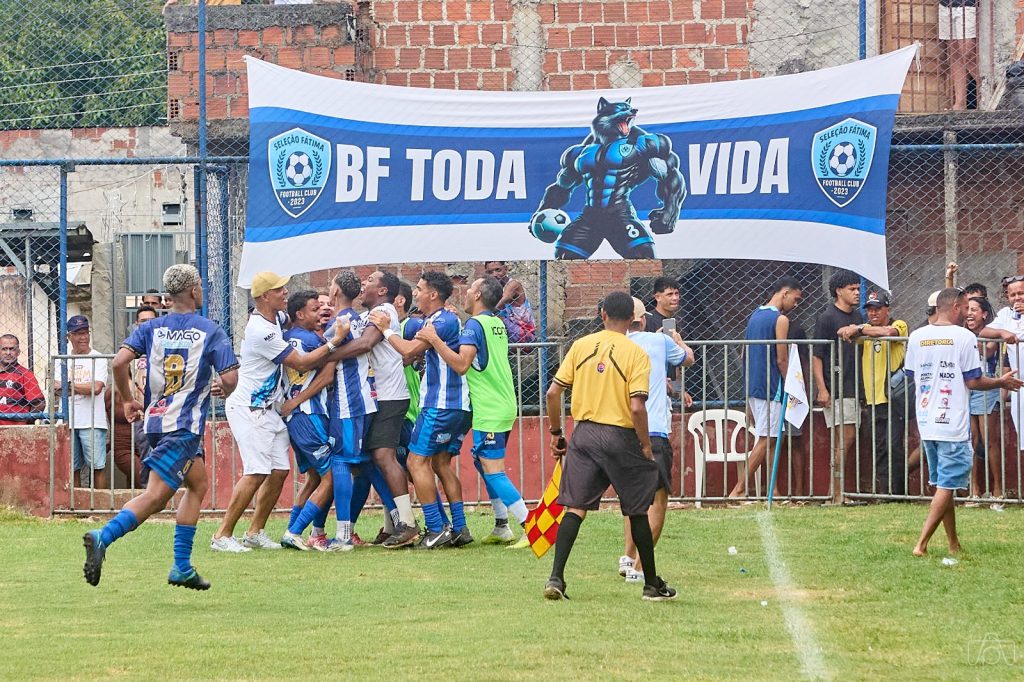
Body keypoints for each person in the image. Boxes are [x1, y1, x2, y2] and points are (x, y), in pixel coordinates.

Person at [81, 264, 239, 590]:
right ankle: (102, 536)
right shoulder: (210, 330)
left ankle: (181, 567)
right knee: (154, 497)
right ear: (195, 291)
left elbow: (118, 363)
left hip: (155, 422)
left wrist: (126, 400)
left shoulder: (152, 327)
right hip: (183, 427)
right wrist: (226, 386)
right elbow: (231, 378)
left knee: (198, 485)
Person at [543, 291, 676, 602]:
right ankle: (651, 584)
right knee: (637, 509)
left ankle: (556, 577)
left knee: (575, 508)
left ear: (602, 315)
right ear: (633, 320)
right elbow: (637, 408)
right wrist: (644, 445)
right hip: (620, 437)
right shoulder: (635, 353)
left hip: (584, 434)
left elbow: (552, 393)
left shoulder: (580, 345)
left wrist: (556, 432)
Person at [212, 271, 348, 553]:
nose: (285, 293)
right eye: (279, 290)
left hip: (269, 409)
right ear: (264, 296)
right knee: (256, 471)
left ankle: (255, 532)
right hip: (249, 407)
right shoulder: (260, 330)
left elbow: (296, 319)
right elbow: (299, 362)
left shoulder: (278, 318)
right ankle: (222, 535)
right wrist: (335, 342)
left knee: (279, 471)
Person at [904, 288, 1022, 557]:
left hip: (926, 420)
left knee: (944, 484)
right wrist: (1001, 382)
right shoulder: (964, 337)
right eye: (966, 307)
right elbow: (973, 380)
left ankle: (953, 542)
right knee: (947, 484)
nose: (969, 312)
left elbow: (911, 372)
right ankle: (921, 544)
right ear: (956, 306)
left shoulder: (917, 336)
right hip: (953, 421)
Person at [416, 275, 530, 547]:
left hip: (489, 407)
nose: (465, 293)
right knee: (482, 461)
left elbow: (461, 365)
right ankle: (502, 525)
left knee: (493, 469)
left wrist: (434, 339)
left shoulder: (474, 326)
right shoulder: (496, 322)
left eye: (470, 289)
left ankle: (532, 525)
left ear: (478, 296)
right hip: (504, 403)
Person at [371, 271, 472, 549]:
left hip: (440, 404)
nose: (416, 292)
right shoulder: (435, 320)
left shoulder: (441, 320)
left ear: (433, 294)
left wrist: (385, 328)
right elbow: (410, 356)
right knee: (439, 464)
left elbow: (407, 348)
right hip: (455, 404)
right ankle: (460, 527)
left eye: (420, 288)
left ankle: (436, 528)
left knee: (416, 463)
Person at [331, 270, 419, 548]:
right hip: (378, 397)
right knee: (370, 461)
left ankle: (407, 523)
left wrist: (326, 355)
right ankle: (393, 523)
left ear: (382, 291)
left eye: (370, 281)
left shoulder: (383, 310)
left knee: (383, 457)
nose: (364, 284)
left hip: (389, 397)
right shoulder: (379, 311)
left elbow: (366, 343)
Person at [620, 296, 693, 582]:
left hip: (622, 429)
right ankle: (639, 569)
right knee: (658, 499)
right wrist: (677, 339)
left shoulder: (616, 343)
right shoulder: (658, 342)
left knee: (632, 499)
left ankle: (627, 557)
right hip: (653, 430)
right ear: (642, 318)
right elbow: (687, 358)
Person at [278, 290, 339, 551]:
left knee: (315, 478)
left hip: (299, 415)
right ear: (300, 314)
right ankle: (294, 531)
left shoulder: (291, 337)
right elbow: (326, 377)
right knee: (333, 477)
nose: (320, 313)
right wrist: (337, 343)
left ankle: (292, 530)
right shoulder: (307, 340)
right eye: (315, 309)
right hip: (308, 415)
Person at [734, 278, 803, 498]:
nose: (796, 304)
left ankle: (773, 490)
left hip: (754, 385)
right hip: (771, 386)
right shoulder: (780, 319)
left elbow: (744, 353)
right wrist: (789, 385)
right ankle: (738, 490)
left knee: (771, 437)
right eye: (796, 298)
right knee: (767, 439)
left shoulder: (754, 315)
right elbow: (781, 358)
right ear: (785, 293)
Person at [812, 270, 864, 495]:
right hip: (836, 386)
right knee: (844, 437)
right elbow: (817, 355)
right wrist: (822, 389)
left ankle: (839, 490)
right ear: (838, 291)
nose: (857, 293)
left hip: (854, 385)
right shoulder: (827, 318)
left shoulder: (858, 317)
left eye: (858, 289)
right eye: (852, 289)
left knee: (848, 438)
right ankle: (836, 491)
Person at [858, 290, 910, 495]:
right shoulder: (867, 331)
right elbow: (844, 332)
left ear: (887, 309)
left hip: (893, 398)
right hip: (872, 400)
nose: (873, 313)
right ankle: (885, 492)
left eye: (878, 309)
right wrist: (859, 329)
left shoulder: (899, 324)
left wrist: (860, 328)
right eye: (870, 309)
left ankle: (899, 493)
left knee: (894, 447)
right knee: (879, 448)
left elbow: (890, 333)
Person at [54, 315, 109, 489]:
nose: (83, 337)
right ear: (69, 336)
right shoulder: (62, 359)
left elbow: (97, 388)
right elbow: (55, 388)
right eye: (78, 333)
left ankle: (99, 508)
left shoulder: (98, 357)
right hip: (68, 421)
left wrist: (68, 385)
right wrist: (83, 387)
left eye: (86, 332)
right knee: (73, 467)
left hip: (92, 421)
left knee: (97, 467)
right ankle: (77, 507)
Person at [108, 306, 159, 487]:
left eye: (151, 321)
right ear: (137, 323)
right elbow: (123, 374)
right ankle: (149, 494)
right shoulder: (132, 348)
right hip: (141, 413)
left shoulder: (162, 346)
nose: (147, 324)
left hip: (163, 411)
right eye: (143, 321)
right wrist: (129, 398)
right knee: (145, 456)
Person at [964, 296, 1003, 500]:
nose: (969, 313)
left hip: (986, 387)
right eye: (967, 309)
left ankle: (997, 490)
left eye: (974, 310)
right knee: (971, 439)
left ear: (984, 314)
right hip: (965, 388)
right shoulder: (961, 333)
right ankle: (974, 490)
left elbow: (986, 353)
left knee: (989, 440)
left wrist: (970, 338)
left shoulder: (990, 335)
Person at [988, 275, 1024, 452]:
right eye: (1013, 294)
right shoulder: (1005, 314)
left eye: (1022, 293)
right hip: (1021, 386)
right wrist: (1002, 332)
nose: (1018, 297)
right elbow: (985, 330)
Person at [484, 261, 537, 344]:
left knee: (492, 316)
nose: (494, 274)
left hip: (525, 335)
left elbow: (499, 305)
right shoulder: (494, 287)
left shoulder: (513, 284)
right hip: (508, 333)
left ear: (506, 269)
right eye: (490, 272)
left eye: (498, 270)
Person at [938, 0, 978, 111]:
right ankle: (960, 103)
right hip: (945, 5)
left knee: (968, 53)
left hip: (968, 5)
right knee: (954, 54)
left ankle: (988, 96)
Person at [0, 334, 45, 423]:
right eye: (4, 349)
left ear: (18, 352)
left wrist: (25, 423)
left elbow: (39, 404)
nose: (8, 353)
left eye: (12, 349)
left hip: (14, 431)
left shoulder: (25, 375)